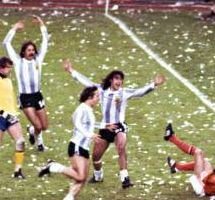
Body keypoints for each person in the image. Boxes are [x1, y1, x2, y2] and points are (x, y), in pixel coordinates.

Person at [64, 59, 166, 188]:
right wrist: (71, 71)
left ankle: (125, 179)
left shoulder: (124, 92)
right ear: (111, 80)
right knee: (95, 157)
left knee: (121, 146)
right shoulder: (101, 90)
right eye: (117, 78)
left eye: (121, 79)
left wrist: (153, 84)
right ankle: (98, 176)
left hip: (118, 126)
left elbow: (139, 92)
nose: (119, 81)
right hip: (105, 128)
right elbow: (86, 82)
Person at [38, 86, 102, 200]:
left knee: (82, 179)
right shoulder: (82, 109)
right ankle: (53, 166)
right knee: (80, 176)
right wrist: (90, 135)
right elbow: (77, 123)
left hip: (84, 148)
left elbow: (91, 124)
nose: (98, 99)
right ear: (90, 97)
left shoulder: (89, 109)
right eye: (97, 96)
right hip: (77, 146)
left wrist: (106, 126)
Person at [2, 15, 49, 152]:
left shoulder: (38, 60)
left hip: (37, 96)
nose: (32, 52)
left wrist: (41, 24)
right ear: (23, 52)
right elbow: (5, 43)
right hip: (25, 98)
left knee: (44, 126)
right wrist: (14, 28)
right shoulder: (17, 62)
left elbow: (46, 41)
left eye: (33, 50)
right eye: (29, 50)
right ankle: (39, 142)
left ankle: (32, 130)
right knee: (39, 126)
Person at [164, 123, 215, 196]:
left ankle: (172, 137)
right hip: (206, 185)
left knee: (198, 152)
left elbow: (206, 180)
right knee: (205, 162)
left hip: (201, 187)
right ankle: (176, 166)